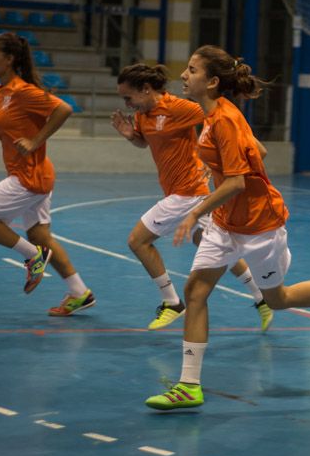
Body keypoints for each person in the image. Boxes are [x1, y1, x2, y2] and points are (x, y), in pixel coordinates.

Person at [144, 46, 310, 411]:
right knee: (195, 291)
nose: (184, 75)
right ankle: (189, 385)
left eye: (192, 70)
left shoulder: (224, 119)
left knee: (278, 299)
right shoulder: (213, 118)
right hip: (225, 223)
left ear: (212, 82)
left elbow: (238, 183)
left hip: (259, 225)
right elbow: (259, 153)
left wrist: (193, 214)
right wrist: (221, 168)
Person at [111, 63, 273, 331]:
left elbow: (220, 120)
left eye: (129, 97)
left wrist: (247, 148)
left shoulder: (178, 108)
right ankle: (262, 298)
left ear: (147, 89)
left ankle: (171, 302)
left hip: (187, 193)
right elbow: (145, 140)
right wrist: (131, 137)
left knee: (138, 241)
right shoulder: (142, 115)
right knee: (217, 248)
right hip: (185, 192)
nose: (127, 104)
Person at [0, 32, 94, 317]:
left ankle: (33, 257)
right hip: (34, 177)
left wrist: (36, 141)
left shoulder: (23, 92)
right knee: (40, 236)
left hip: (29, 178)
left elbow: (64, 109)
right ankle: (80, 293)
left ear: (10, 59)